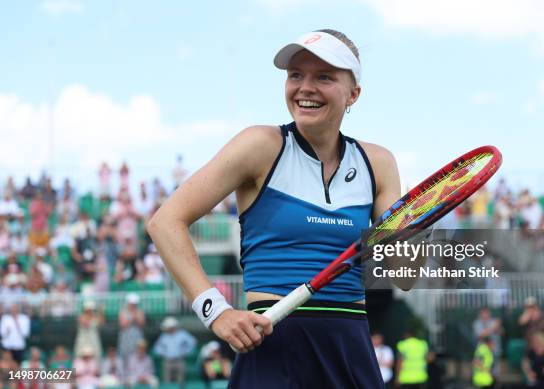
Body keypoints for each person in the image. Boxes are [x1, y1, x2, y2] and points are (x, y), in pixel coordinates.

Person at [147, 29, 400, 388]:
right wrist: (215, 311)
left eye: (324, 76)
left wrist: (411, 233)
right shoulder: (260, 145)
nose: (305, 87)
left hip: (349, 348)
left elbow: (405, 273)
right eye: (296, 75)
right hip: (273, 346)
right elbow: (165, 222)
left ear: (353, 93)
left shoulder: (379, 162)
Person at [152, 316, 196, 385]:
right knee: (167, 382)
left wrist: (186, 351)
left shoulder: (182, 334)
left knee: (181, 382)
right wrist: (163, 353)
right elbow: (157, 348)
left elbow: (193, 342)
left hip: (179, 360)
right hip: (168, 361)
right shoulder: (164, 336)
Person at [117, 293, 145, 364]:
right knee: (124, 357)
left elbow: (141, 324)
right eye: (131, 303)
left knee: (137, 356)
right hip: (126, 337)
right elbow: (122, 325)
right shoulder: (123, 312)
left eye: (134, 303)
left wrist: (135, 317)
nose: (133, 305)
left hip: (136, 336)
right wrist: (132, 318)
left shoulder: (140, 312)